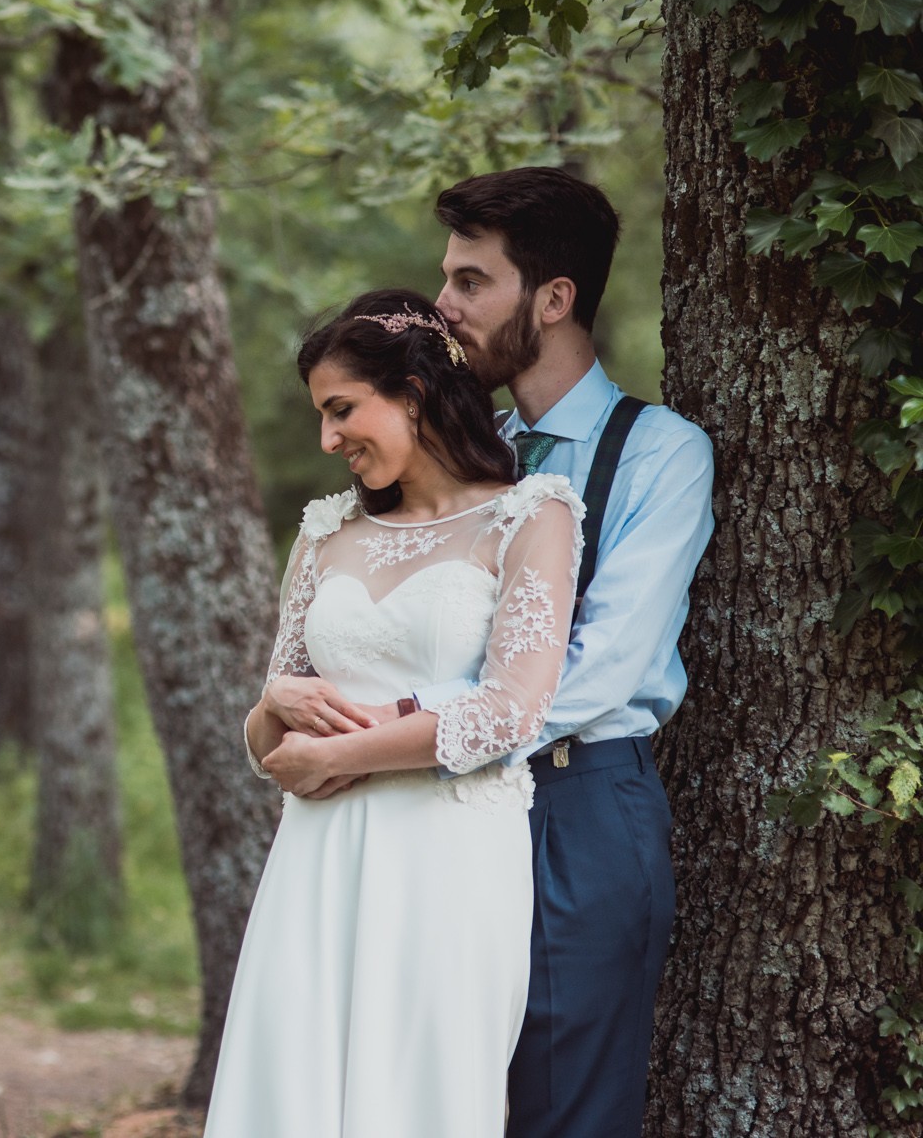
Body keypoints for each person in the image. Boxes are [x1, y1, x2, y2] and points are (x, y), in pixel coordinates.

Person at [265, 167, 716, 1138]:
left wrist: (381, 726)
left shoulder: (656, 453)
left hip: (573, 807)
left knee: (557, 1109)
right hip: (426, 818)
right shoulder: (470, 457)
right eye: (444, 279)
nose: (443, 306)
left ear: (551, 299)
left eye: (470, 282)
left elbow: (598, 669)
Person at [204, 286, 586, 1137]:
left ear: (412, 394)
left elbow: (513, 710)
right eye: (321, 416)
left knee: (419, 1090)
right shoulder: (325, 530)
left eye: (342, 410)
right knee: (291, 1084)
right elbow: (272, 720)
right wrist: (273, 707)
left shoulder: (533, 514)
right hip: (315, 854)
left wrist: (340, 754)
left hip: (445, 857)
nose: (328, 438)